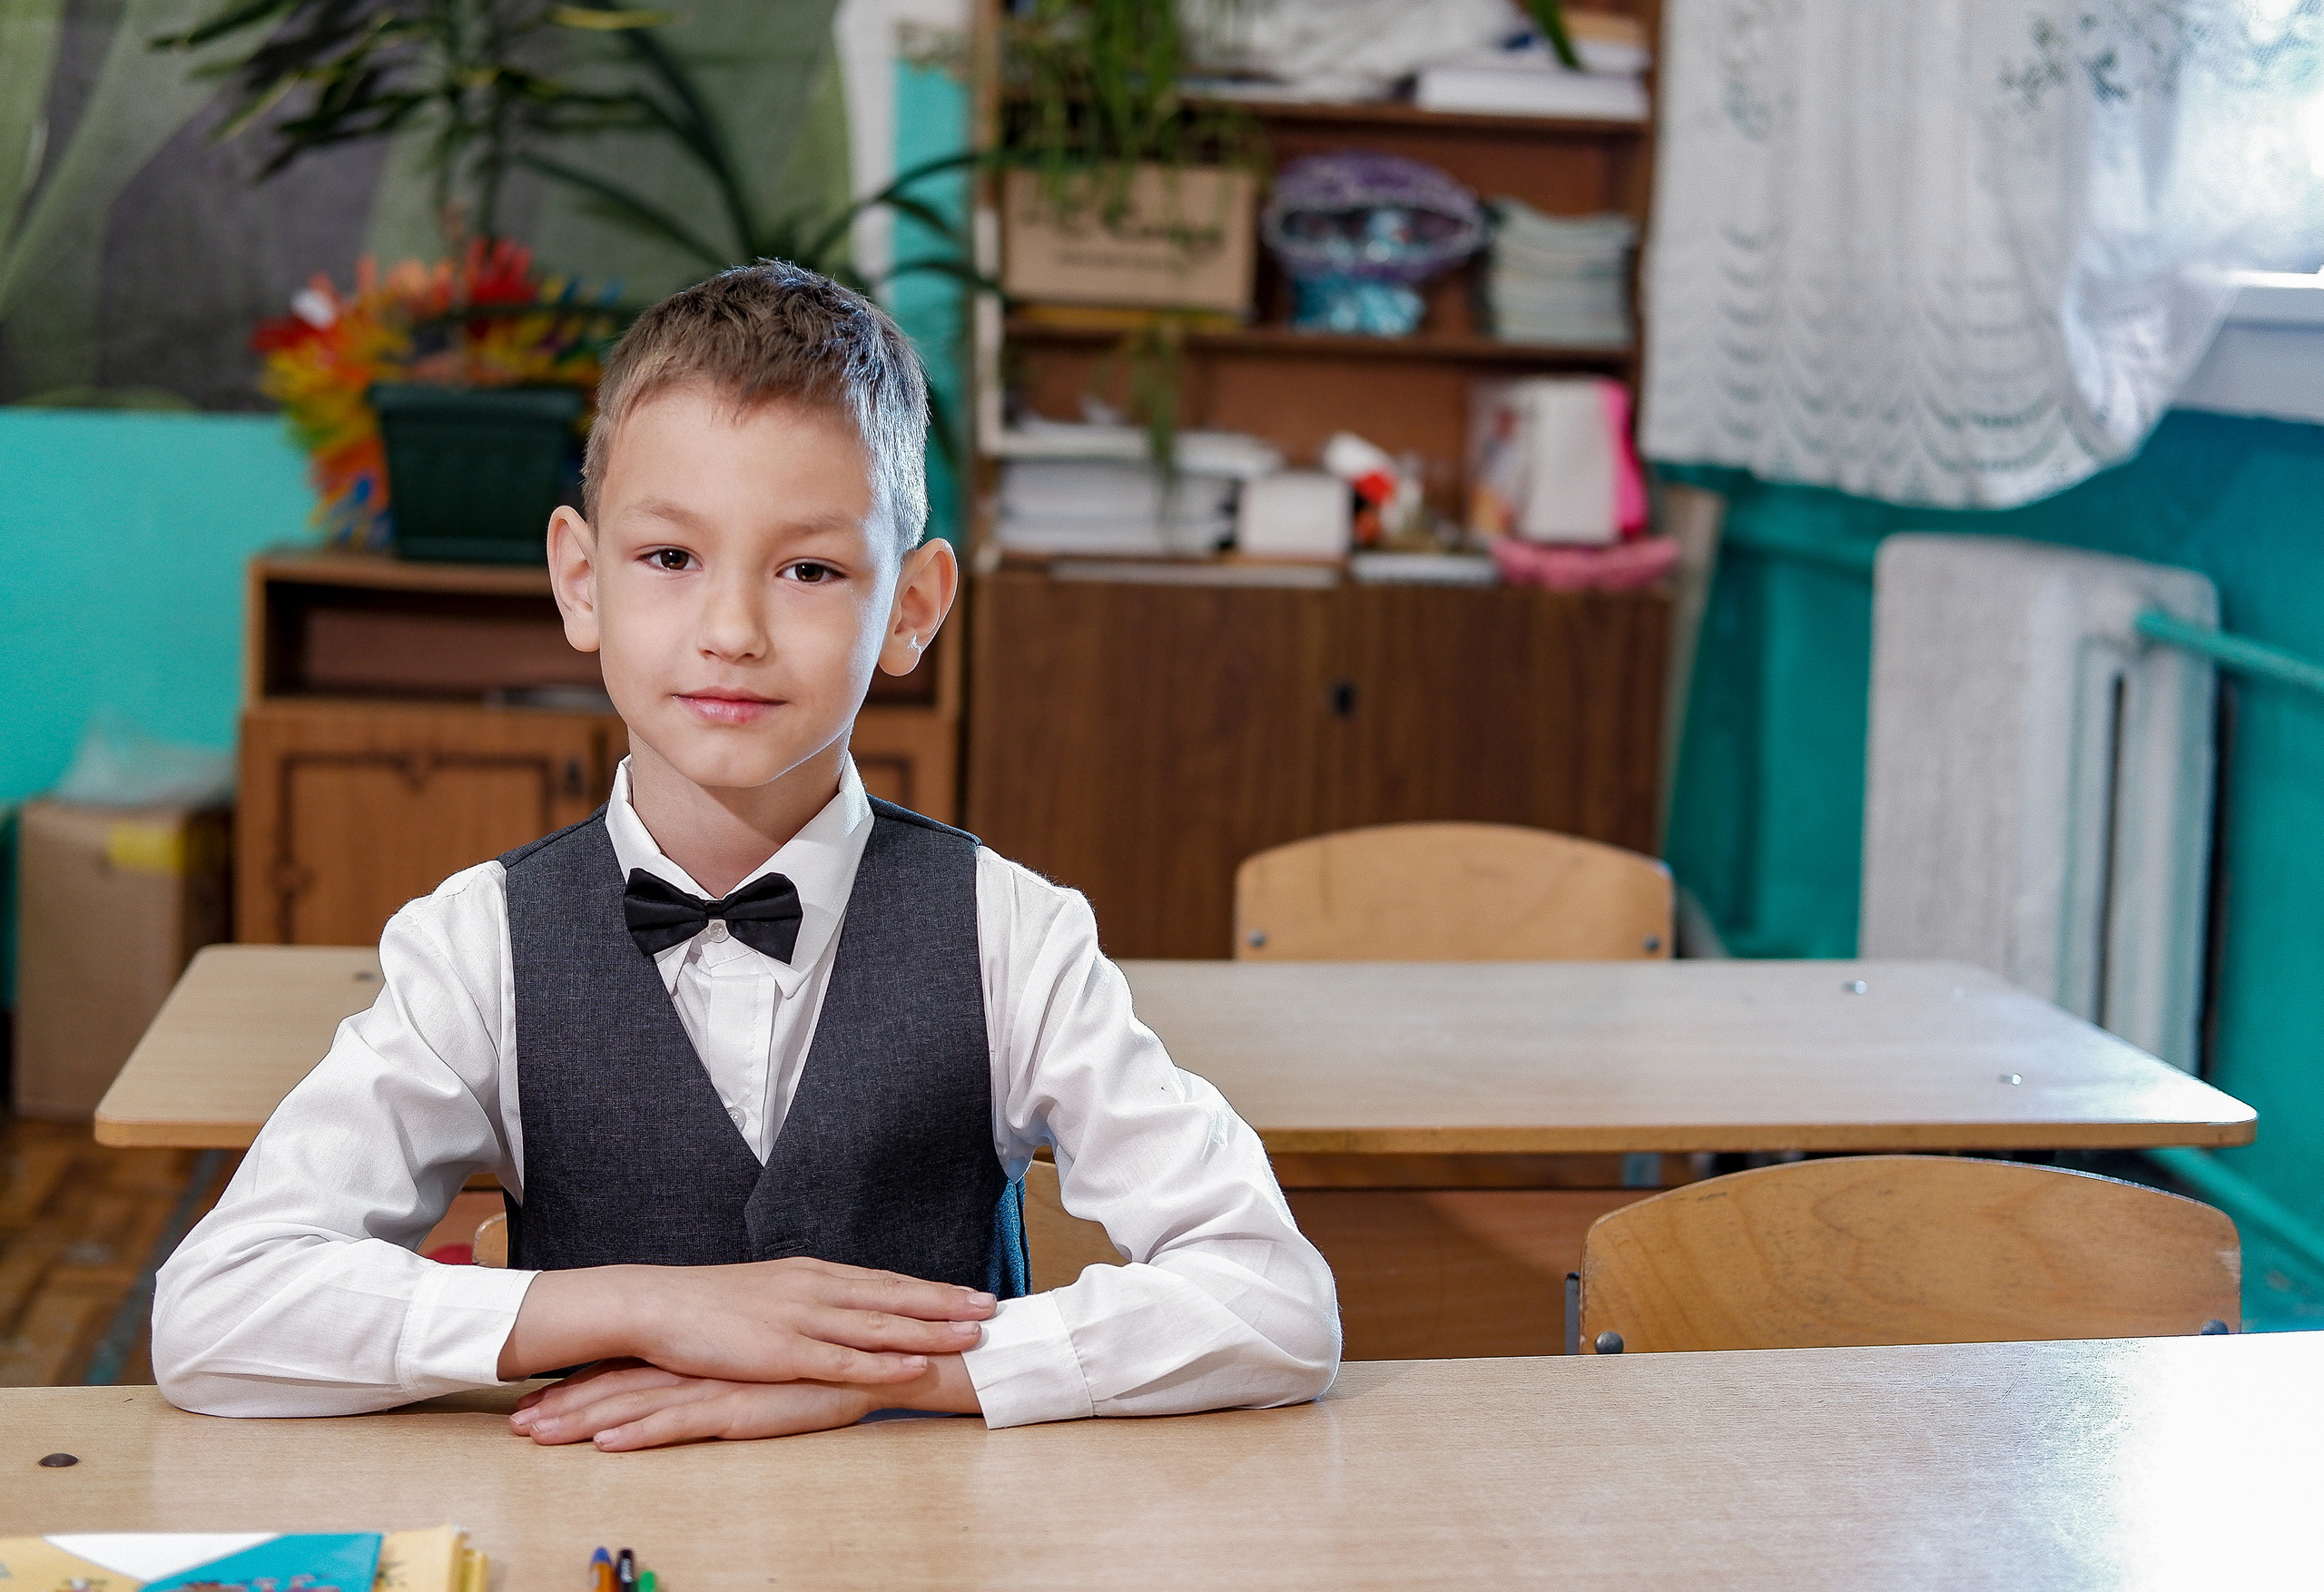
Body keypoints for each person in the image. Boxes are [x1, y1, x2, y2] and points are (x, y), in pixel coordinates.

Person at [153, 262, 1341, 1450]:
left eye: (811, 570)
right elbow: (215, 1310)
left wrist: (891, 1374)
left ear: (915, 606)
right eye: (670, 557)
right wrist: (648, 1306)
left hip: (945, 1553)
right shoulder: (476, 948)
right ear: (581, 579)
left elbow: (1277, 1301)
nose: (732, 630)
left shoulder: (1012, 934)